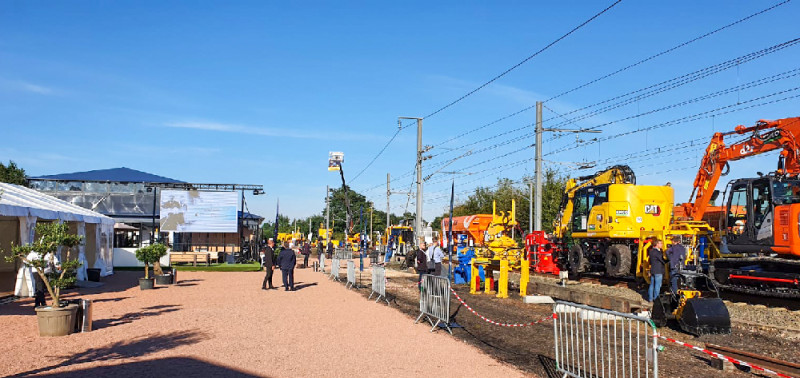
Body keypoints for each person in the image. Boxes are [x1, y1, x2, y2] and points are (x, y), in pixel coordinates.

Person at [647, 237, 666, 302]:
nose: (662, 245)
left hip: (653, 270)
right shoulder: (658, 253)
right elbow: (663, 260)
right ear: (657, 244)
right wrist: (668, 261)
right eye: (661, 243)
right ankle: (656, 299)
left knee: (652, 285)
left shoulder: (651, 251)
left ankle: (650, 298)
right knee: (657, 285)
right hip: (658, 271)